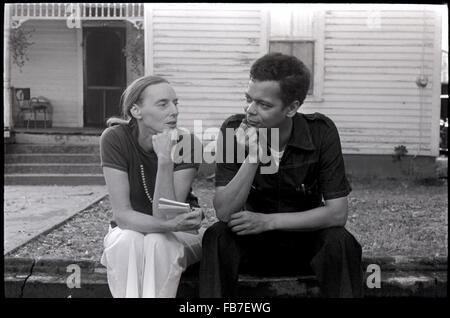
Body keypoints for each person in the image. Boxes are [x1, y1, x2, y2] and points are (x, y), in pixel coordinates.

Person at [199, 53, 364, 298]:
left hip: (304, 244)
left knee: (340, 241)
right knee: (217, 236)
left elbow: (337, 213)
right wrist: (252, 157)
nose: (250, 111)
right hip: (252, 245)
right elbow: (224, 211)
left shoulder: (321, 133)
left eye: (264, 105)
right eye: (248, 100)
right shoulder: (234, 130)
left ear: (292, 108)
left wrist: (268, 221)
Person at [99, 75, 204, 298]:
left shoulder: (188, 144)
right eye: (163, 104)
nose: (174, 111)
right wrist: (171, 223)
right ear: (137, 111)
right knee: (128, 240)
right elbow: (123, 216)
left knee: (157, 242)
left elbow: (165, 216)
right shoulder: (114, 139)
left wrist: (165, 159)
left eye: (176, 103)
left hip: (180, 236)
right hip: (132, 232)